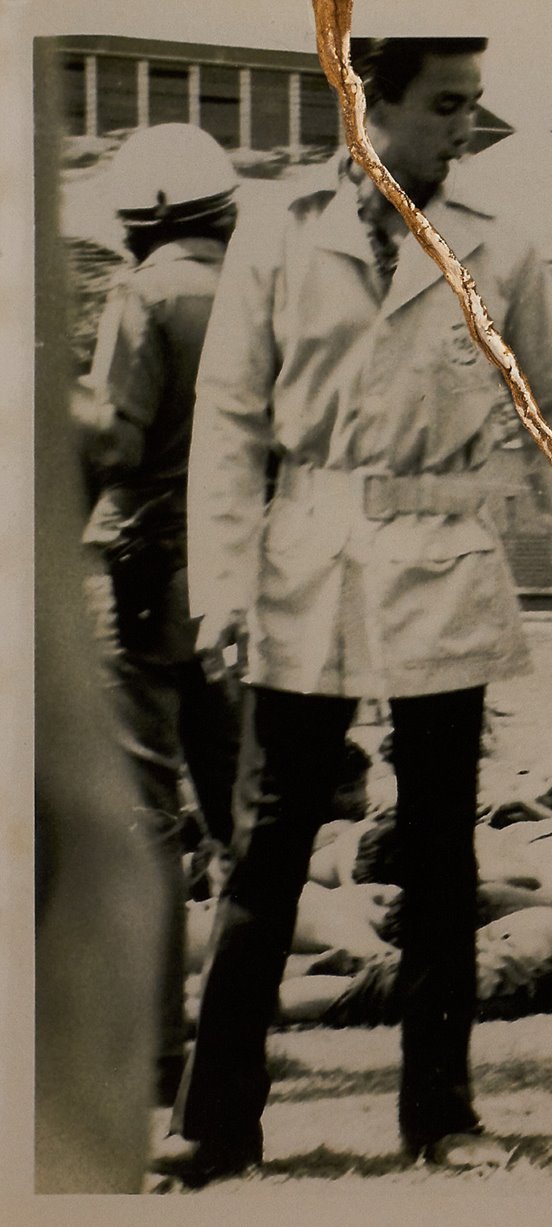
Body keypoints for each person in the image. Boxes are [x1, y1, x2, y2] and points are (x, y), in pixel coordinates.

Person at [156, 37, 552, 1184]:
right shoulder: (275, 228)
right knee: (265, 851)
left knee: (439, 855)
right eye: (448, 105)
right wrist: (219, 588)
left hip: (440, 559)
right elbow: (227, 421)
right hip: (304, 556)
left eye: (475, 105)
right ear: (372, 106)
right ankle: (215, 1125)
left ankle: (444, 1120)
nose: (469, 127)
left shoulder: (499, 249)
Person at [69, 123, 247, 1107]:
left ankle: (153, 1061)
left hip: (141, 577)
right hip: (239, 584)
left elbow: (119, 442)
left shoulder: (147, 295)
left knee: (145, 823)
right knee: (240, 824)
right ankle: (231, 1050)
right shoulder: (266, 292)